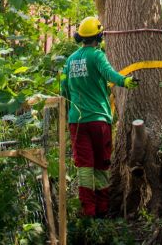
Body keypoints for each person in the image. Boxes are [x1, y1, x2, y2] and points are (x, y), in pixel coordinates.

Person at [60, 16, 138, 218]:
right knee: (102, 164)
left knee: (84, 165)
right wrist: (125, 82)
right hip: (99, 121)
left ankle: (88, 211)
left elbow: (63, 90)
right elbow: (109, 73)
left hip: (76, 121)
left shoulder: (69, 61)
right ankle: (103, 210)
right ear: (99, 37)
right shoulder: (97, 55)